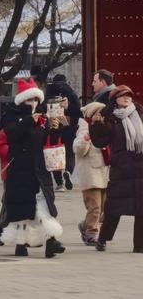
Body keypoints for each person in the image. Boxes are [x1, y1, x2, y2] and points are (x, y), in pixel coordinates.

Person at [0, 77, 65, 258]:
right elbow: (11, 133)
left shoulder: (42, 117)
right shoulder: (11, 115)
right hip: (20, 169)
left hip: (39, 168)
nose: (34, 103)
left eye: (36, 100)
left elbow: (45, 141)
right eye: (30, 99)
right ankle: (21, 243)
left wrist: (54, 128)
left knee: (44, 205)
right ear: (21, 99)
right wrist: (29, 120)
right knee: (23, 210)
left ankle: (51, 240)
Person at [89, 84, 143, 253]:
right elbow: (99, 142)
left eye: (128, 95)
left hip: (140, 168)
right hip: (121, 169)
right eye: (122, 95)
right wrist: (96, 125)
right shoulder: (109, 118)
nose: (126, 98)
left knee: (141, 209)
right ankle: (103, 239)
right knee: (113, 208)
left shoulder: (139, 114)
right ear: (115, 99)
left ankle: (139, 246)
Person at [73, 100, 109, 246]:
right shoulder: (84, 127)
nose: (101, 116)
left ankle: (84, 225)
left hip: (104, 173)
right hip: (90, 173)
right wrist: (86, 138)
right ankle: (91, 233)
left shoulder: (105, 128)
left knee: (104, 208)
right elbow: (77, 149)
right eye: (98, 113)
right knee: (94, 207)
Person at [46, 73, 81, 191]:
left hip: (54, 127)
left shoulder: (49, 91)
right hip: (69, 127)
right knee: (70, 152)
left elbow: (42, 107)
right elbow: (78, 110)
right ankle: (68, 171)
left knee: (55, 152)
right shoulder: (70, 91)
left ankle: (59, 183)